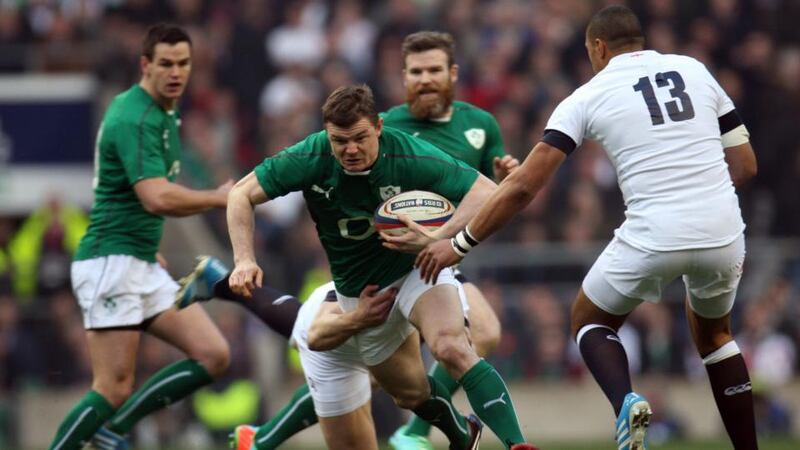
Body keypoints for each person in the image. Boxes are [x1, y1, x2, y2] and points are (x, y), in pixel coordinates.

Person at [413, 5, 758, 450]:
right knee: (716, 338)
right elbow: (746, 164)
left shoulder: (589, 94)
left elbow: (523, 188)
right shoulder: (694, 69)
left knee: (589, 319)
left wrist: (459, 243)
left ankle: (625, 404)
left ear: (598, 48)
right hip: (723, 226)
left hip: (655, 230)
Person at [175, 30, 521, 450]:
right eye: (340, 141)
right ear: (326, 135)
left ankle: (517, 444)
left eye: (359, 138)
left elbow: (486, 191)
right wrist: (244, 259)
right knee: (407, 392)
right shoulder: (312, 156)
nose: (351, 149)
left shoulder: (409, 150)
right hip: (360, 292)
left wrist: (438, 238)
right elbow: (240, 194)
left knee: (457, 343)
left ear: (378, 127)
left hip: (417, 268)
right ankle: (455, 431)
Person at [48, 24, 233, 450]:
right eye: (165, 64)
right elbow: (153, 197)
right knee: (112, 386)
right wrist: (217, 198)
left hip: (139, 259)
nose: (175, 72)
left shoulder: (164, 111)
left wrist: (149, 248)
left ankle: (112, 431)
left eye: (183, 63)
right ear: (145, 65)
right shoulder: (136, 116)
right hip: (111, 262)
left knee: (213, 354)